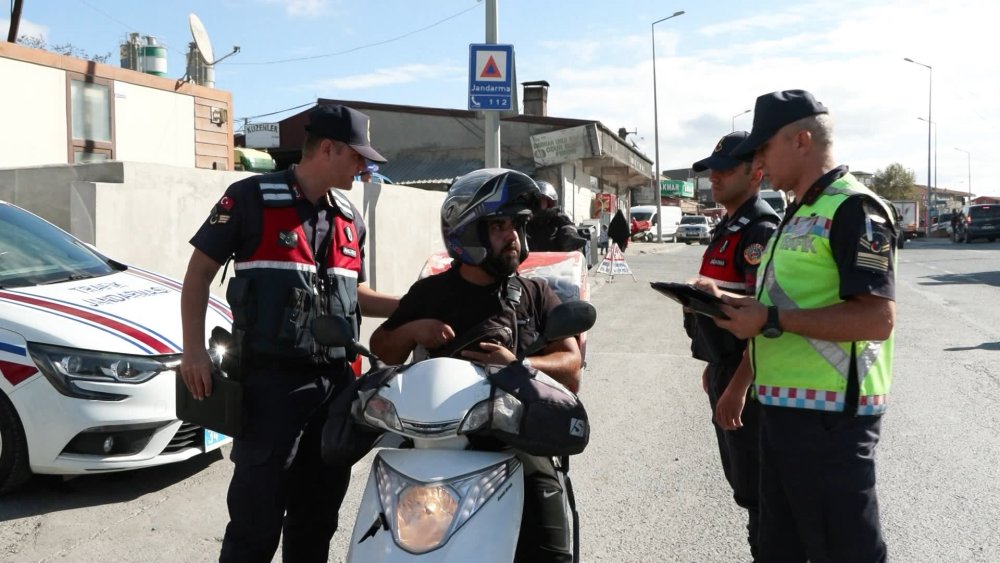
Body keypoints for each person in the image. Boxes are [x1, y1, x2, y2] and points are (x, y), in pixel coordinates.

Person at [179, 104, 400, 563]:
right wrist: (193, 352)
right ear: (327, 148)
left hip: (335, 391)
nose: (364, 166)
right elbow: (198, 274)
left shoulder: (350, 220)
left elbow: (355, 294)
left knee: (315, 525)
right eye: (357, 156)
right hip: (270, 390)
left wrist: (412, 306)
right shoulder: (248, 199)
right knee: (254, 528)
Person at [710, 90, 897, 563]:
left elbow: (877, 318)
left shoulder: (856, 209)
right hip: (781, 412)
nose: (758, 161)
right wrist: (733, 306)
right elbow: (778, 306)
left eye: (763, 148)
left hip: (833, 421)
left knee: (845, 552)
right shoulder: (797, 213)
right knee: (779, 549)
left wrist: (770, 318)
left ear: (802, 141)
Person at [369, 168, 583, 562]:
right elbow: (383, 348)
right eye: (500, 225)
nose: (513, 237)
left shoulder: (535, 292)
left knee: (551, 549)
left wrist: (517, 365)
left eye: (517, 226)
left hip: (517, 439)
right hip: (434, 441)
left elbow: (571, 365)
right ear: (467, 231)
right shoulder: (430, 292)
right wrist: (414, 329)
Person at [684, 130, 779, 558]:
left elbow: (766, 320)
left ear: (756, 172)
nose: (715, 177)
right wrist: (711, 361)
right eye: (712, 170)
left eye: (725, 169)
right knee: (746, 488)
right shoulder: (728, 226)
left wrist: (739, 384)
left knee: (761, 495)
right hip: (726, 367)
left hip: (752, 379)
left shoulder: (760, 229)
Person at [525, 180, 587, 252]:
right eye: (535, 200)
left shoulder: (558, 218)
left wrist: (571, 238)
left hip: (555, 261)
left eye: (542, 200)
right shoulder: (524, 221)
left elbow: (567, 227)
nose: (538, 204)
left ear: (550, 203)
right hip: (530, 262)